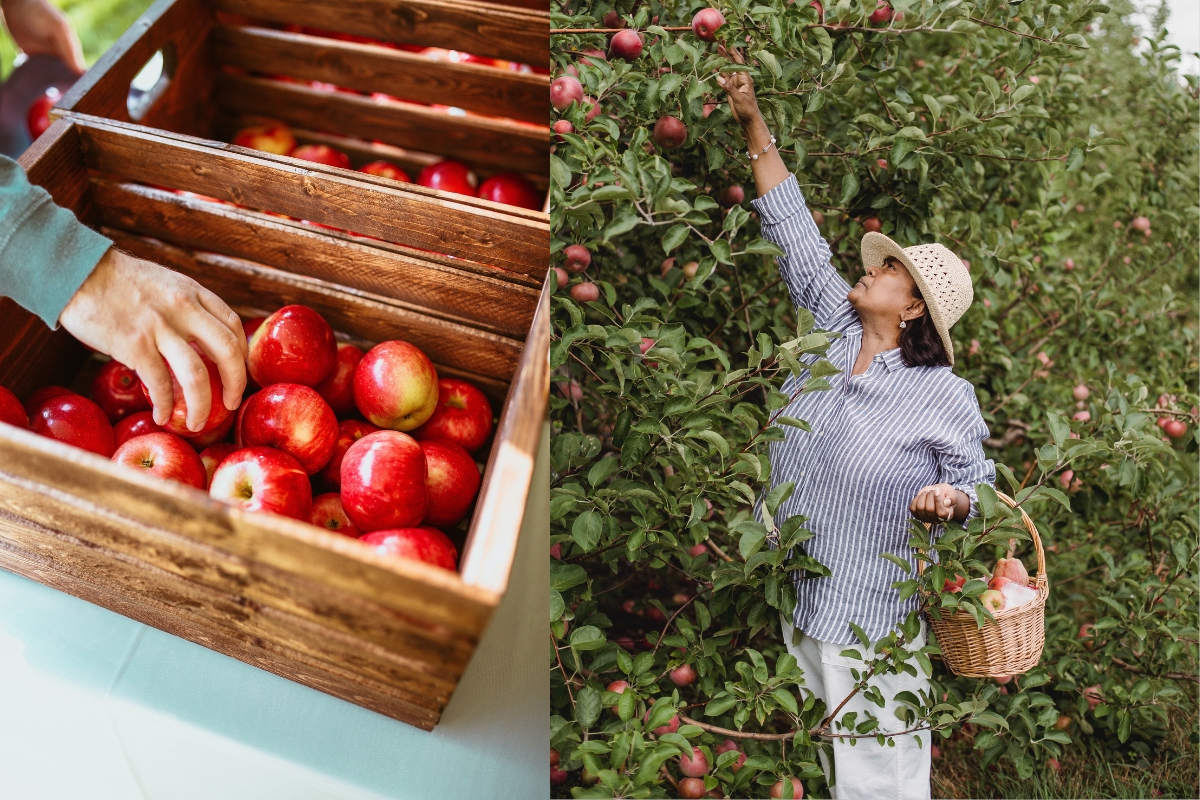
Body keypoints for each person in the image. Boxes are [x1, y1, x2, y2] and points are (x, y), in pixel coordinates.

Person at [717, 46, 995, 799]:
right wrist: (753, 119)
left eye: (890, 268)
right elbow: (793, 229)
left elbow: (984, 492)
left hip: (870, 613)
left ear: (911, 308)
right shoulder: (832, 330)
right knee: (810, 760)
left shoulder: (944, 392)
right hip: (794, 588)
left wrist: (953, 501)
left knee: (880, 783)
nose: (870, 266)